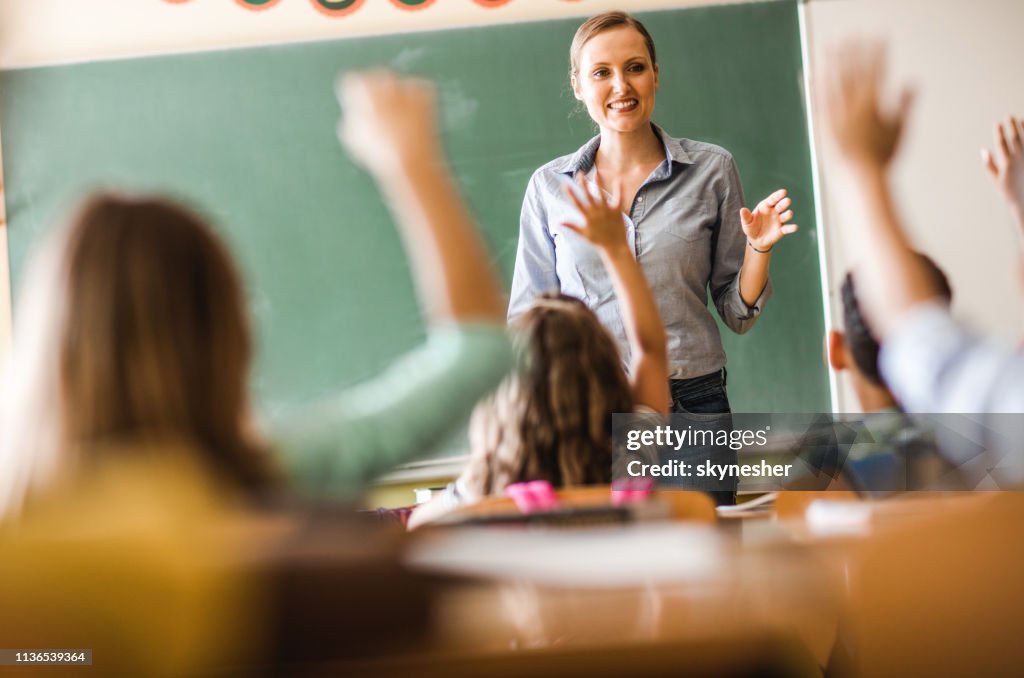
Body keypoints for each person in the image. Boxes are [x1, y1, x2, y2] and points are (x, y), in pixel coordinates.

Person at [0, 71, 513, 521]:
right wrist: (411, 162)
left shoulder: (23, 518)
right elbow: (478, 350)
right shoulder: (267, 478)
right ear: (226, 328)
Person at [509, 11, 798, 502]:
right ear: (578, 85)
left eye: (635, 67)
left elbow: (736, 312)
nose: (621, 85)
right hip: (586, 412)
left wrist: (758, 248)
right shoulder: (550, 188)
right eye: (601, 72)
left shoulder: (711, 169)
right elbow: (526, 318)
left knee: (703, 557)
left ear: (656, 75)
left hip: (692, 402)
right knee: (607, 563)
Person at [408, 174, 670, 529]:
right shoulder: (628, 462)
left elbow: (418, 526)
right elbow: (650, 351)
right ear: (607, 374)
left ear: (505, 394)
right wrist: (616, 250)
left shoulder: (484, 487)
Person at [820, 43, 1024, 483]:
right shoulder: (982, 467)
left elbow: (929, 346)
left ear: (835, 349)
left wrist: (861, 166)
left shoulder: (829, 469)